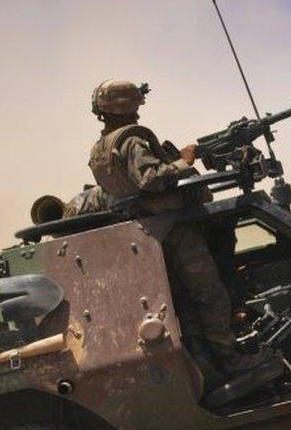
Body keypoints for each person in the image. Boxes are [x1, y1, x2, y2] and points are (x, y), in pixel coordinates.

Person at [87, 79, 273, 395]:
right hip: (173, 228)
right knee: (209, 293)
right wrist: (184, 161)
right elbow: (150, 179)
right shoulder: (132, 140)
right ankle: (230, 359)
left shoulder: (100, 148)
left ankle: (205, 362)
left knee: (184, 303)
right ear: (130, 106)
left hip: (145, 232)